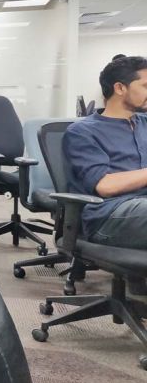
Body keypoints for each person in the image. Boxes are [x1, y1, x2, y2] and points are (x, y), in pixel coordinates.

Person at [64, 55, 147, 294]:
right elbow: (105, 185)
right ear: (120, 88)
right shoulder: (82, 132)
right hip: (109, 215)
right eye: (145, 86)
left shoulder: (144, 123)